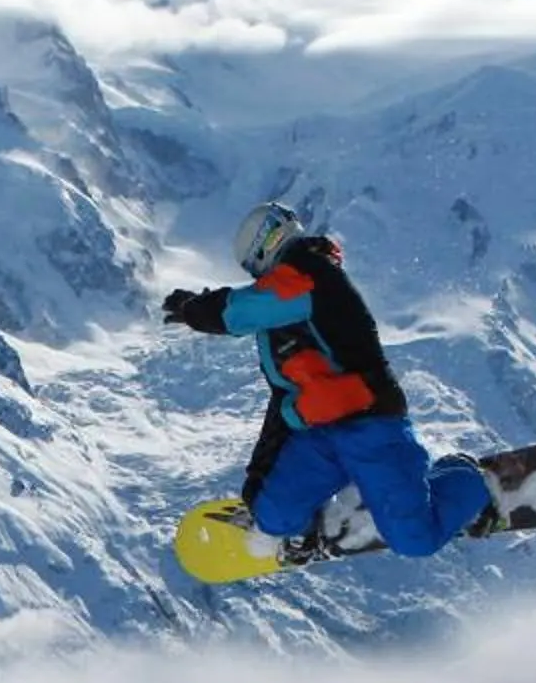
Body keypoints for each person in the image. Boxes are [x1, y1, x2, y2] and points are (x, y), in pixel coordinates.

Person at [162, 201, 496, 562]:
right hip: (321, 433)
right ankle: (316, 521)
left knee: (416, 540)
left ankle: (469, 479)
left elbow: (241, 311)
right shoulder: (299, 282)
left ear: (262, 249)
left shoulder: (308, 274)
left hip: (370, 424)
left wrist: (196, 309)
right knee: (273, 517)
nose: (257, 277)